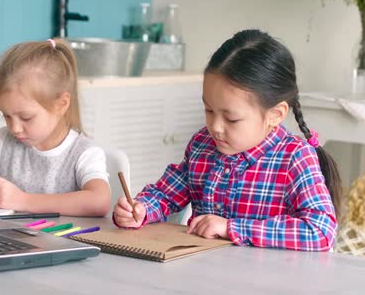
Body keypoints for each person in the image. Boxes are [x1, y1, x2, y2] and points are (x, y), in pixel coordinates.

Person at [113, 29, 341, 251]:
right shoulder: (203, 145)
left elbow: (320, 231)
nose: (215, 127)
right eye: (209, 110)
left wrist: (231, 228)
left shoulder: (295, 157)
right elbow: (166, 194)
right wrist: (142, 209)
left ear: (276, 114)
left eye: (231, 119)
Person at [0, 39, 110, 217]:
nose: (14, 128)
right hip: (11, 240)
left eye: (26, 117)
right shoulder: (4, 142)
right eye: (6, 116)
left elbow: (99, 202)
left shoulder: (83, 153)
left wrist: (23, 200)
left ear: (61, 104)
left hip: (64, 242)